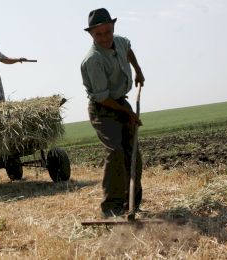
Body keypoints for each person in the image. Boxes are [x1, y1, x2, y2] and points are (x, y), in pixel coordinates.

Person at [80, 8, 145, 218]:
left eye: (107, 32)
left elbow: (128, 49)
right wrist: (129, 114)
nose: (105, 37)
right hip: (103, 108)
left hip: (119, 102)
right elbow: (102, 97)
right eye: (99, 34)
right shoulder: (93, 60)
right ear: (91, 34)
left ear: (113, 27)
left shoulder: (119, 41)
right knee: (116, 152)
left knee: (132, 151)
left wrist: (138, 70)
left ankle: (132, 203)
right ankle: (111, 208)